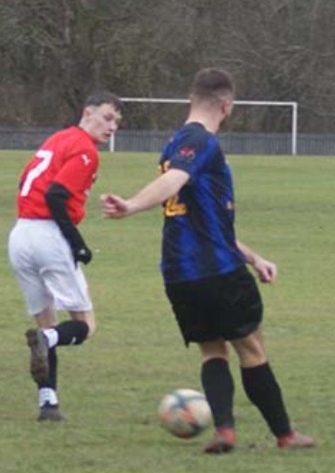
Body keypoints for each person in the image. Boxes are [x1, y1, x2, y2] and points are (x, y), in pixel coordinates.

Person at [101, 68, 314, 453]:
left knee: (213, 350)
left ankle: (226, 431)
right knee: (251, 348)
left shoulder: (173, 144)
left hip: (179, 275)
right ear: (226, 105)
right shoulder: (201, 143)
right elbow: (174, 182)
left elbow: (208, 218)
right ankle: (285, 434)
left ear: (190, 99)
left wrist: (253, 256)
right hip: (216, 270)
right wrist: (131, 205)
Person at [8, 91, 122, 422]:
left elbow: (24, 181)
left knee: (45, 320)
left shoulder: (57, 139)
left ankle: (48, 403)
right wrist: (77, 243)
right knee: (84, 326)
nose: (111, 126)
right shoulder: (85, 150)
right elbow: (57, 195)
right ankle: (47, 339)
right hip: (48, 235)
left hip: (20, 235)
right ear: (87, 113)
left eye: (116, 121)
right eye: (106, 117)